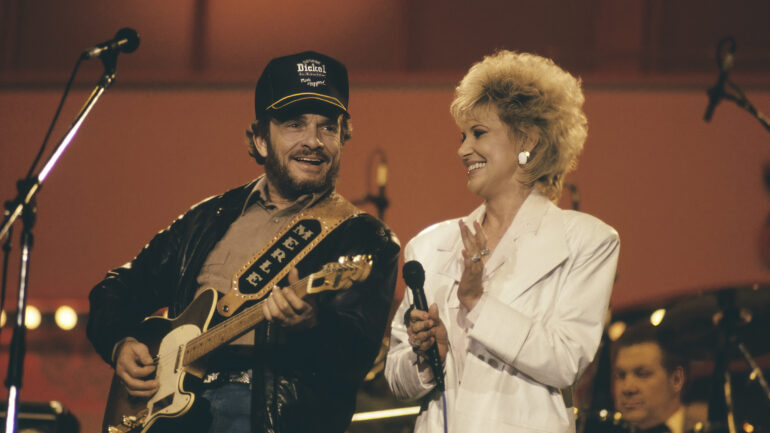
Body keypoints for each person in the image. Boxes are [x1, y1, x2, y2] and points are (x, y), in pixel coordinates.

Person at [87, 51, 400, 433]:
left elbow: (357, 358)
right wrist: (120, 344)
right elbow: (116, 288)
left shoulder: (365, 238)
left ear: (342, 138)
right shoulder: (208, 218)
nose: (314, 141)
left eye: (327, 128)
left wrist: (311, 325)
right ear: (260, 139)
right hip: (167, 413)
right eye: (295, 125)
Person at [385, 50, 620, 432]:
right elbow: (397, 380)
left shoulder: (587, 241)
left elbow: (565, 361)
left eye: (479, 133)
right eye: (462, 136)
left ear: (527, 139)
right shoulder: (428, 246)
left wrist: (477, 303)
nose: (463, 149)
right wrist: (429, 357)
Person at [612, 324, 705, 433]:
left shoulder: (710, 425)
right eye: (620, 375)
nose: (627, 388)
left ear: (677, 379)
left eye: (642, 374)